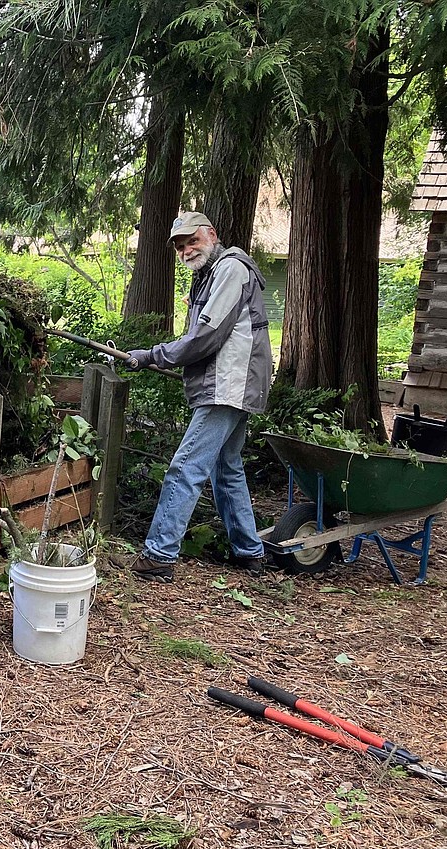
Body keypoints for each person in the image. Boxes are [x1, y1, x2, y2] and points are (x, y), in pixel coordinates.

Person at [117, 211, 273, 583]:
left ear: (211, 235)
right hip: (232, 385)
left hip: (228, 388)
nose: (187, 250)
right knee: (227, 468)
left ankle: (158, 554)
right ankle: (249, 552)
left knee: (185, 468)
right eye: (181, 246)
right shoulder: (210, 276)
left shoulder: (231, 269)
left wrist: (153, 354)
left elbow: (206, 337)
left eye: (193, 241)